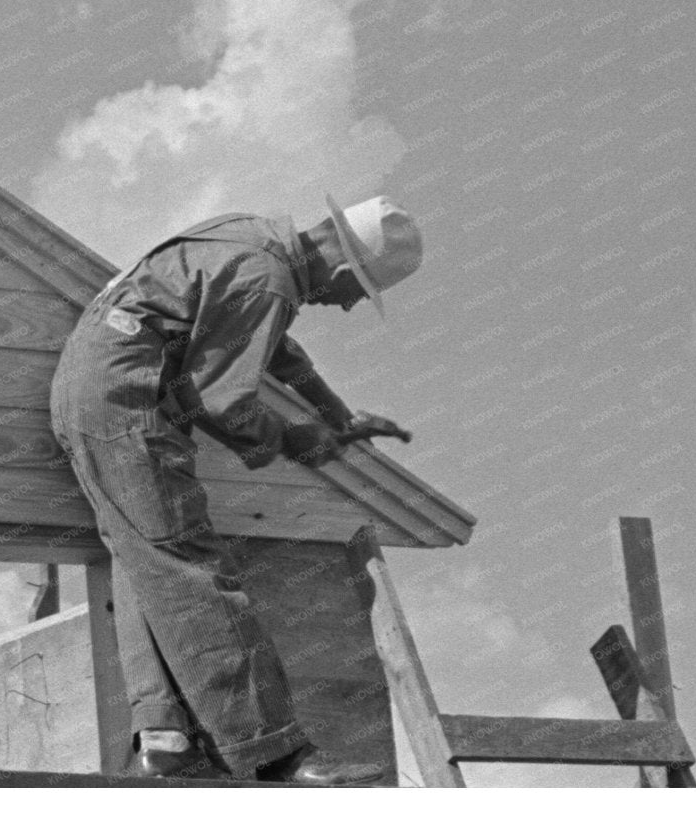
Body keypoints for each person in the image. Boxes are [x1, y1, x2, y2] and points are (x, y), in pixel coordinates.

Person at [48, 194, 423, 785]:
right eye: (358, 294)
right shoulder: (267, 280)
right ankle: (276, 754)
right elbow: (222, 399)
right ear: (347, 270)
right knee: (190, 565)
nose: (348, 307)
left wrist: (335, 414)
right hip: (124, 397)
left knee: (147, 557)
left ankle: (165, 739)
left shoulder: (251, 239)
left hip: (96, 387)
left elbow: (269, 344)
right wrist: (294, 437)